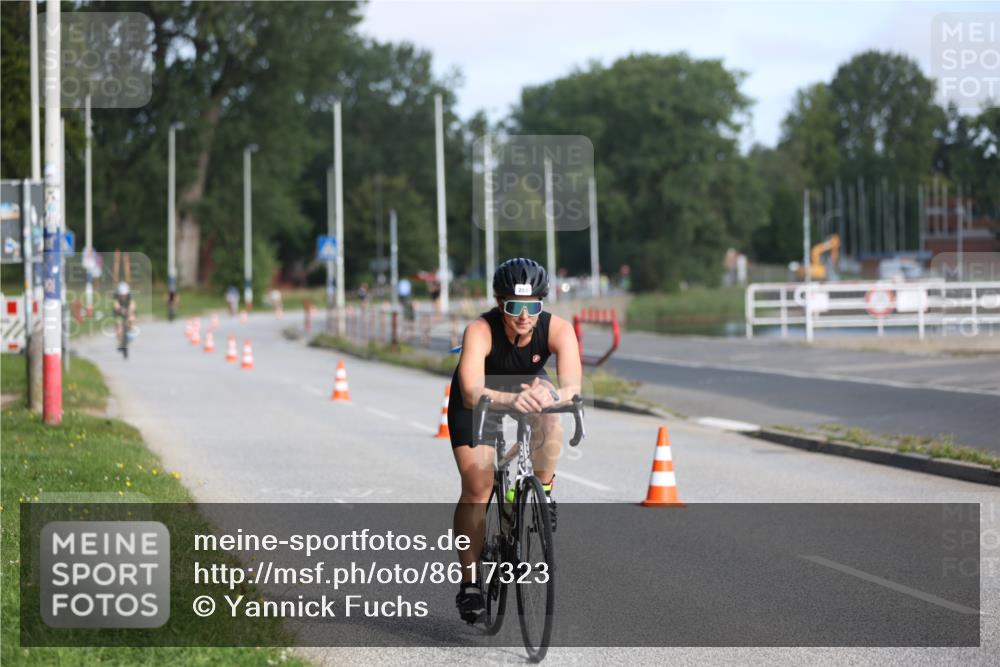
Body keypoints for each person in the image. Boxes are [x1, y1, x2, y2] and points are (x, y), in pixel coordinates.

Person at [448, 257, 582, 624]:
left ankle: (543, 490)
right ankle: (471, 582)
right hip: (480, 397)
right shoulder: (480, 330)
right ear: (498, 303)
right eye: (514, 307)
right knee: (478, 486)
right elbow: (472, 390)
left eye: (532, 307)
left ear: (542, 304)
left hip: (526, 387)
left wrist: (552, 397)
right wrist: (509, 399)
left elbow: (572, 387)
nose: (524, 316)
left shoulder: (558, 329)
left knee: (549, 418)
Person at [113, 281, 136, 353]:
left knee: (131, 318)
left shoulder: (130, 296)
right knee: (118, 326)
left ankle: (130, 330)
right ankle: (120, 342)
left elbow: (132, 305)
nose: (123, 296)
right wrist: (119, 309)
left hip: (128, 310)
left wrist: (130, 312)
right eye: (121, 295)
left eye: (124, 294)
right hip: (119, 313)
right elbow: (115, 305)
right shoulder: (116, 296)